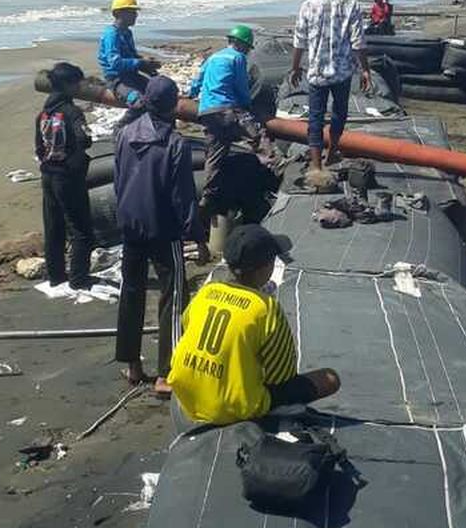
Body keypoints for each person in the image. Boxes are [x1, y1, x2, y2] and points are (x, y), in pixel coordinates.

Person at [167, 224, 340, 425]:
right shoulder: (265, 308)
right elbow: (281, 378)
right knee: (330, 379)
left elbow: (188, 332)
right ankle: (268, 414)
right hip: (232, 407)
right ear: (265, 267)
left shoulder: (206, 293)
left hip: (185, 395)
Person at [113, 75, 208, 394]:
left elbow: (118, 178)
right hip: (162, 227)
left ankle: (132, 364)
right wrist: (197, 235)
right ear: (172, 107)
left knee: (131, 291)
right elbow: (183, 196)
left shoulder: (125, 134)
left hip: (129, 223)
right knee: (174, 296)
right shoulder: (175, 143)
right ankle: (166, 373)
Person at [288, 0, 371, 172]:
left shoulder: (308, 5)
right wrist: (365, 69)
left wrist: (295, 67)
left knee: (315, 117)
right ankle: (332, 152)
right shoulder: (351, 5)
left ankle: (316, 166)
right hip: (342, 71)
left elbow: (299, 41)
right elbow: (358, 42)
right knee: (339, 113)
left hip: (317, 71)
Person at [188, 24, 270, 217]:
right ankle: (277, 169)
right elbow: (240, 85)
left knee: (215, 154)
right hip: (227, 109)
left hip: (207, 111)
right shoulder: (238, 58)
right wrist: (247, 105)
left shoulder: (213, 57)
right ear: (243, 45)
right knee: (258, 135)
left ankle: (208, 196)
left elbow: (198, 79)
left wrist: (191, 94)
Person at [34, 62, 94, 289]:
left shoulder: (43, 113)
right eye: (77, 83)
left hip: (48, 174)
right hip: (68, 176)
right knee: (80, 230)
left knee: (53, 227)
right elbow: (84, 140)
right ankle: (79, 279)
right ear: (68, 85)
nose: (79, 87)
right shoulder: (72, 112)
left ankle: (56, 275)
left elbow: (38, 147)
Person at [98, 0, 161, 106]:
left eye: (135, 12)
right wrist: (140, 62)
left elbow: (131, 56)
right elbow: (115, 63)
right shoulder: (111, 34)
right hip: (116, 79)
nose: (135, 15)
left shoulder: (127, 32)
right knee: (137, 101)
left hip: (131, 76)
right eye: (131, 12)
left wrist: (147, 64)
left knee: (158, 91)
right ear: (117, 13)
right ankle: (124, 123)